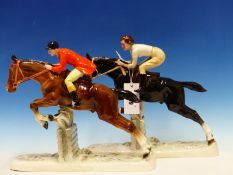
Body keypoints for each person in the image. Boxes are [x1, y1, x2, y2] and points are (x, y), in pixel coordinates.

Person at [44, 41, 96, 105]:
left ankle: (75, 100)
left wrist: (51, 68)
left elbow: (62, 68)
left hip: (83, 66)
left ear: (55, 49)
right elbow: (61, 64)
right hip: (81, 65)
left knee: (68, 80)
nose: (48, 52)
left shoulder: (62, 52)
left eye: (49, 50)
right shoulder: (61, 52)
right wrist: (53, 65)